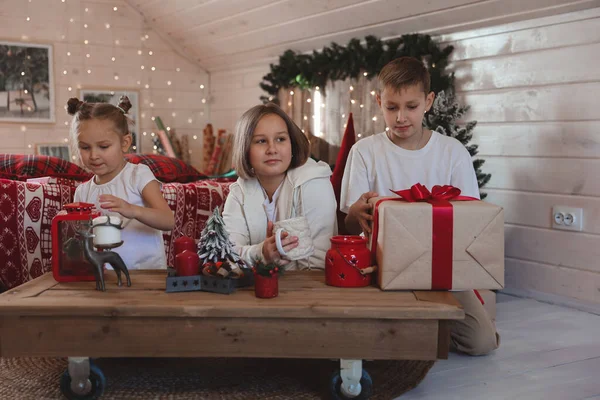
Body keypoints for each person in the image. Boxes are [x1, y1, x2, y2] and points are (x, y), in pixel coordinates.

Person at [340, 57, 499, 356]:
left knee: (481, 342)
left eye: (411, 107)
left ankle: (436, 322)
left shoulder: (452, 152)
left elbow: (469, 224)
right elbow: (350, 226)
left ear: (428, 101)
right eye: (391, 107)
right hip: (380, 268)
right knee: (367, 337)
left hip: (441, 270)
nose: (401, 117)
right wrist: (355, 215)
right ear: (378, 102)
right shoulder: (364, 151)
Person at [223, 103, 337, 270]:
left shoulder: (314, 182)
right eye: (261, 141)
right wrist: (261, 252)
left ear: (292, 144)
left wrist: (261, 258)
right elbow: (228, 254)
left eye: (280, 139)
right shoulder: (238, 192)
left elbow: (317, 264)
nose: (272, 149)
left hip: (309, 290)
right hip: (254, 291)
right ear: (245, 149)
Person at [68, 96, 175, 270]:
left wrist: (133, 210)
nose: (93, 155)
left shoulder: (138, 175)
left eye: (103, 147)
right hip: (105, 278)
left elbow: (168, 220)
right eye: (85, 147)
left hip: (147, 276)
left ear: (124, 143)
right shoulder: (82, 192)